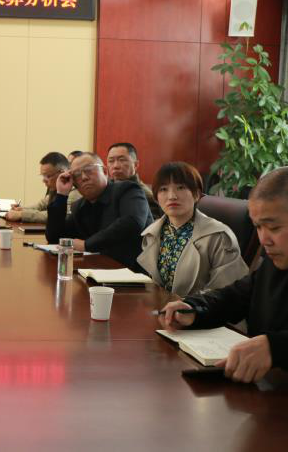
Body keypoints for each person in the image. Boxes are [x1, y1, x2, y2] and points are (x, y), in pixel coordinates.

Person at [159, 167, 288, 383]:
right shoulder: (274, 264)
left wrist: (276, 348)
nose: (264, 240)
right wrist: (193, 308)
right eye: (258, 227)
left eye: (274, 228)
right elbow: (236, 296)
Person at [138, 162, 248, 297]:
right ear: (156, 198)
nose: (172, 196)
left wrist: (189, 306)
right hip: (159, 306)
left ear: (196, 194)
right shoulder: (152, 233)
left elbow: (226, 292)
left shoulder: (219, 236)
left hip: (199, 309)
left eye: (181, 187)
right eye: (163, 189)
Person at [46, 151, 153, 270]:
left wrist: (86, 245)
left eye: (88, 170)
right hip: (97, 271)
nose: (84, 177)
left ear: (105, 171)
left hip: (134, 273)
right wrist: (61, 195)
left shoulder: (127, 190)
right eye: (77, 174)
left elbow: (133, 222)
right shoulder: (79, 206)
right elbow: (55, 238)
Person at [5, 152, 81, 223]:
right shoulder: (56, 189)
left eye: (48, 176)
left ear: (62, 173)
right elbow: (40, 206)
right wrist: (21, 209)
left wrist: (21, 214)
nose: (44, 180)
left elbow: (57, 215)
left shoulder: (74, 192)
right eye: (43, 176)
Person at [106, 142, 162, 218]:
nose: (115, 166)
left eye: (122, 160)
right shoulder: (103, 189)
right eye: (111, 161)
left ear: (136, 165)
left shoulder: (145, 194)